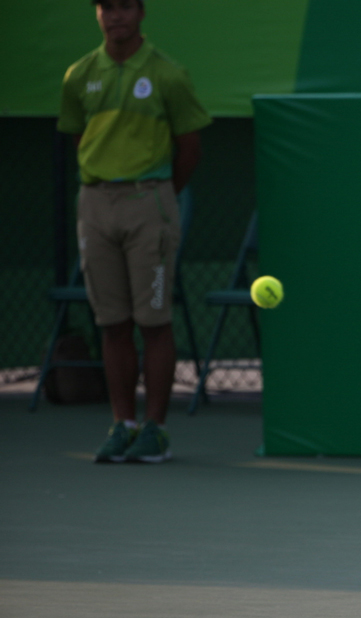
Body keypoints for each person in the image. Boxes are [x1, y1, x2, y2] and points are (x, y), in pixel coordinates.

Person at [57, 0, 211, 463]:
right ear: (97, 13)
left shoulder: (169, 74)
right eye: (107, 7)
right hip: (95, 204)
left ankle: (155, 430)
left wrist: (157, 193)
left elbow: (190, 147)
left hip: (151, 204)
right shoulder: (78, 75)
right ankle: (122, 424)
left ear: (141, 13)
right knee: (112, 322)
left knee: (154, 321)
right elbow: (79, 138)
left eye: (125, 6)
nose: (115, 15)